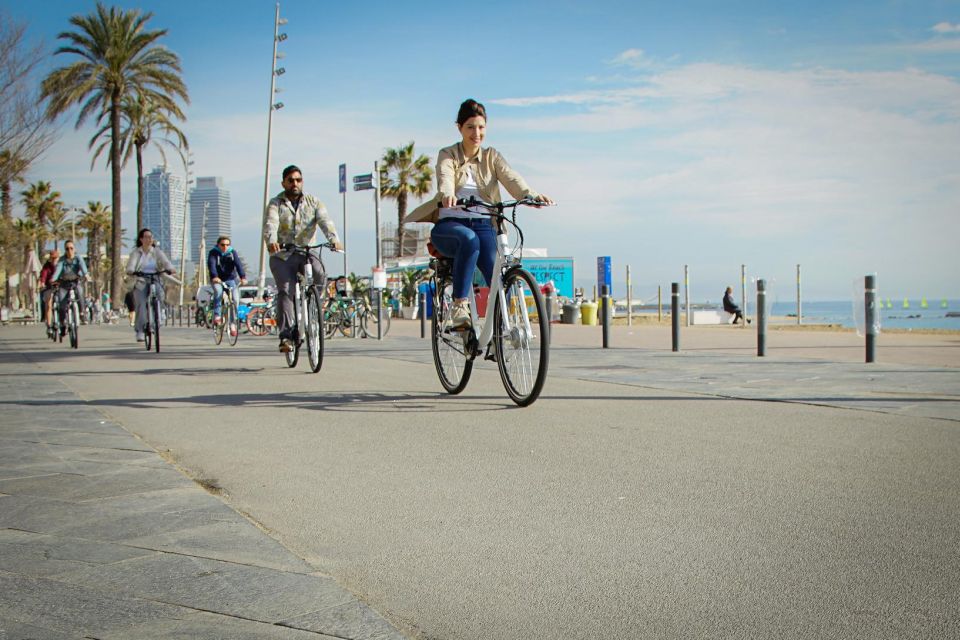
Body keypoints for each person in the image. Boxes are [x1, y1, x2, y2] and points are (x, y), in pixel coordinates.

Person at [405, 98, 553, 328]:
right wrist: (448, 194)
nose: (477, 133)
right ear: (460, 128)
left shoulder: (492, 156)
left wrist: (529, 194)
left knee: (498, 273)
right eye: (470, 127)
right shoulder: (448, 154)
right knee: (469, 240)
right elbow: (444, 176)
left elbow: (511, 177)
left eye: (481, 127)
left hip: (485, 225)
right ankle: (459, 306)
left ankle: (498, 331)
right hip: (451, 226)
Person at [263, 165, 342, 352]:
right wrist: (272, 241)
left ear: (302, 181)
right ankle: (286, 337)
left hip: (307, 252)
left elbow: (325, 221)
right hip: (282, 255)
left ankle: (313, 305)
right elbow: (270, 224)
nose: (294, 183)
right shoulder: (276, 204)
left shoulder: (313, 202)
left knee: (320, 273)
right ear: (284, 183)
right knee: (285, 290)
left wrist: (334, 240)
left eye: (298, 180)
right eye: (290, 180)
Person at [124, 228, 176, 342]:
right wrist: (131, 270)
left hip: (155, 278)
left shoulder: (157, 252)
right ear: (141, 239)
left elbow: (166, 262)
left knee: (160, 295)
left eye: (151, 237)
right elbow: (131, 264)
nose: (149, 239)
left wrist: (170, 268)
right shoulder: (136, 252)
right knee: (141, 304)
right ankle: (140, 330)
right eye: (146, 237)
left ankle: (159, 315)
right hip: (141, 280)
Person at [207, 235, 247, 336]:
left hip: (230, 279)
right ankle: (217, 315)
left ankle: (233, 324)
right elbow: (211, 265)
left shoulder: (232, 252)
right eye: (222, 245)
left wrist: (243, 277)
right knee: (219, 292)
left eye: (227, 245)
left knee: (235, 300)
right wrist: (215, 276)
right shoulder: (213, 252)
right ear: (218, 245)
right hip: (217, 280)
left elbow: (238, 265)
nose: (225, 247)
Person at [51, 240, 89, 336]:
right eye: (67, 249)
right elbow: (58, 270)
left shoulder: (78, 258)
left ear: (74, 249)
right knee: (62, 304)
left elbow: (83, 267)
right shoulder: (62, 260)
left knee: (80, 293)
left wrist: (87, 275)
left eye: (71, 248)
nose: (69, 250)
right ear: (65, 250)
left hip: (76, 282)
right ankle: (63, 324)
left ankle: (82, 313)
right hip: (64, 284)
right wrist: (53, 279)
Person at [38, 248, 60, 336]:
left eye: (56, 258)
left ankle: (63, 321)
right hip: (49, 287)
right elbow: (44, 274)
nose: (54, 260)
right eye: (52, 258)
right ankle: (49, 325)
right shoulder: (47, 266)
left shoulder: (61, 265)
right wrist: (42, 283)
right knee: (49, 304)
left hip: (60, 286)